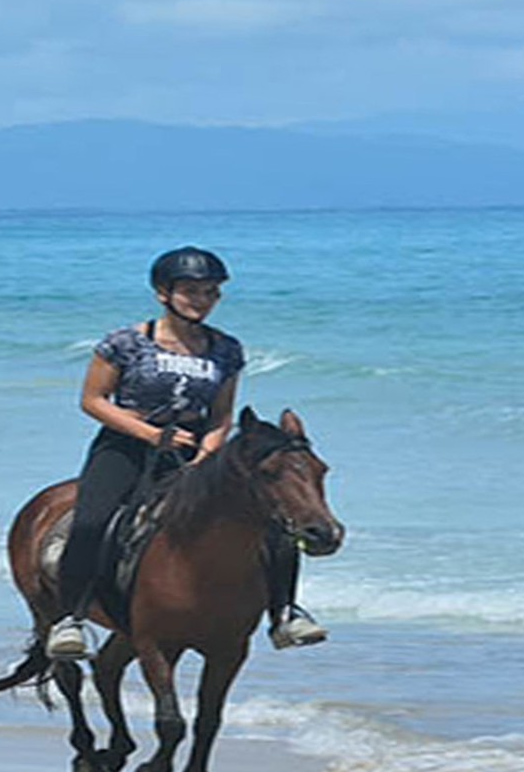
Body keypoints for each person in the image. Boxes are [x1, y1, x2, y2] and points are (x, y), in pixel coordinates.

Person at [47, 246, 326, 661]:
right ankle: (69, 619)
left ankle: (285, 612)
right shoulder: (125, 342)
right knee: (92, 520)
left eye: (211, 292)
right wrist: (149, 434)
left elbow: (222, 414)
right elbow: (93, 400)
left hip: (196, 454)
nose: (202, 300)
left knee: (273, 520)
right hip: (125, 446)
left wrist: (208, 453)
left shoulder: (226, 349)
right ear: (164, 293)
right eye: (191, 291)